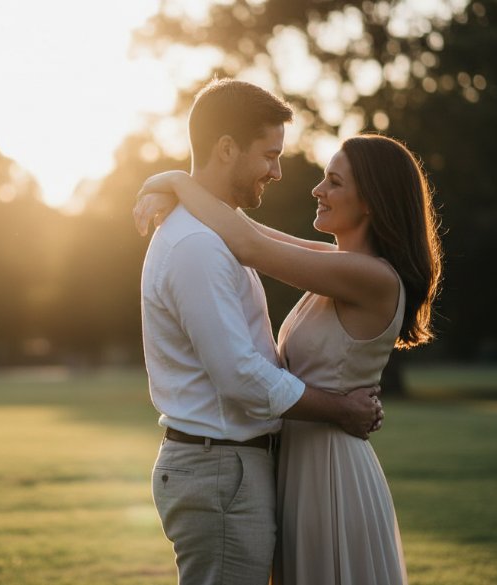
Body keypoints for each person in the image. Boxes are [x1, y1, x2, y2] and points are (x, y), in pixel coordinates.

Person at [134, 126, 443, 583]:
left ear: (371, 201)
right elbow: (248, 230)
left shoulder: (373, 277)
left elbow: (247, 244)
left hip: (330, 468)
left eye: (335, 182)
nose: (317, 189)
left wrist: (179, 183)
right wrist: (179, 195)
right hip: (297, 461)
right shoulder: (336, 264)